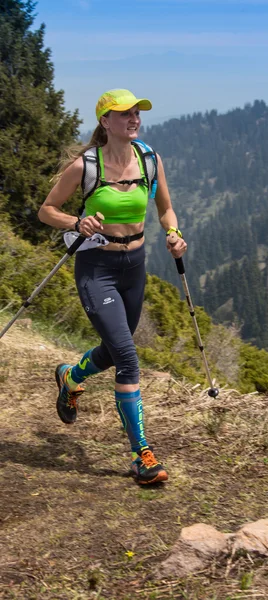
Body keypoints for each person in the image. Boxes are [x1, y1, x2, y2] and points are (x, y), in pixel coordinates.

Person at [38, 89, 187, 484]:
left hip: (134, 266)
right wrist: (76, 222)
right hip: (96, 267)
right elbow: (46, 210)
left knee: (113, 348)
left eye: (137, 112)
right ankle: (142, 454)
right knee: (127, 356)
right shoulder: (85, 166)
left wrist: (172, 232)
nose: (134, 118)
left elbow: (165, 207)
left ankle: (70, 377)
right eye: (124, 114)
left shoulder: (150, 159)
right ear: (105, 122)